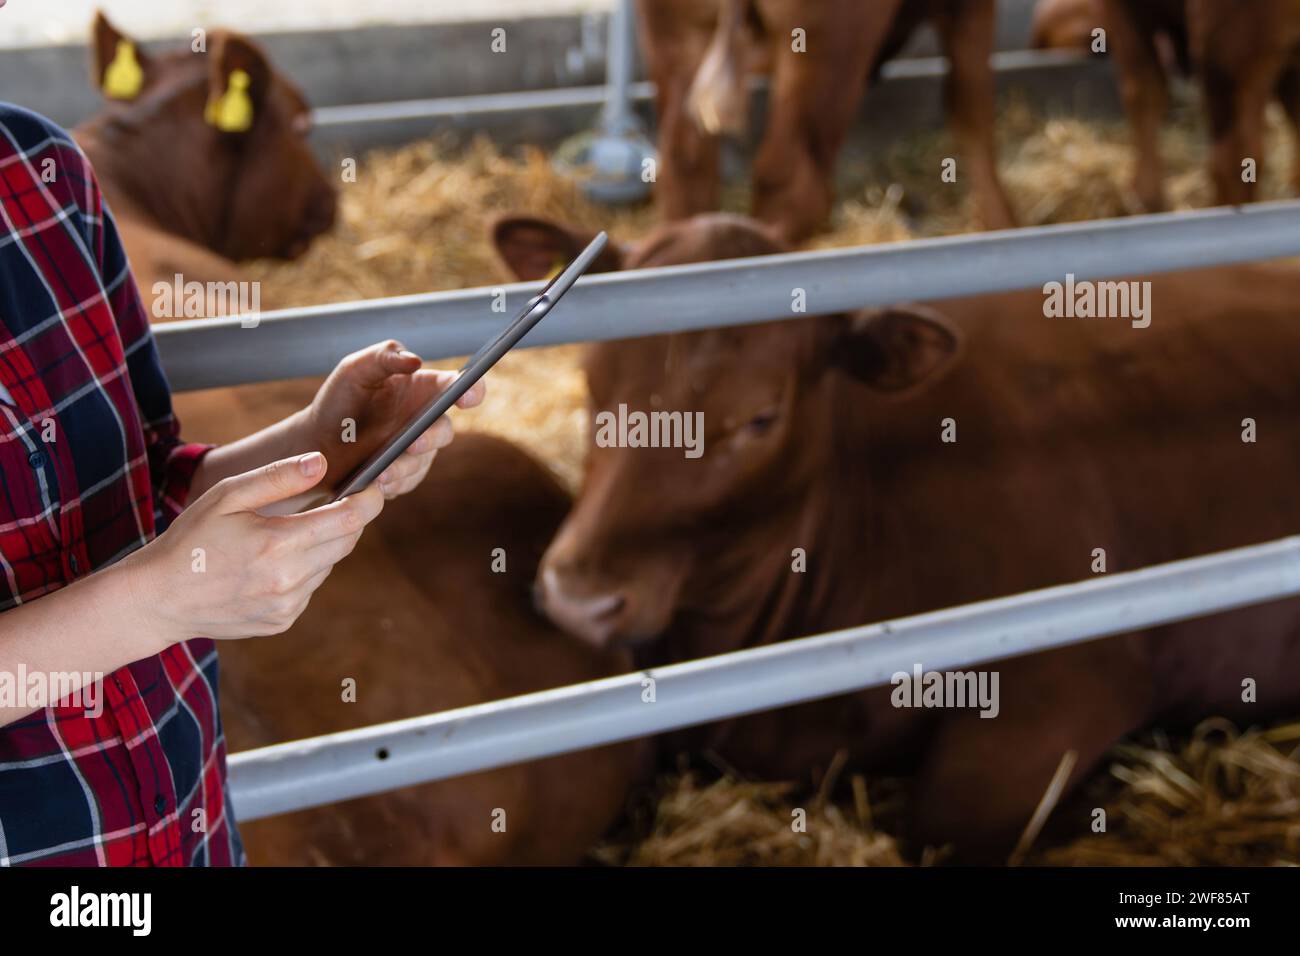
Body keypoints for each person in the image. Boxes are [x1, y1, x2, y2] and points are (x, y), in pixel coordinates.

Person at [0, 103, 483, 865]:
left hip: (182, 819)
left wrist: (322, 444)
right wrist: (155, 602)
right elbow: (152, 584)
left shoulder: (34, 167)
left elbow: (142, 480)